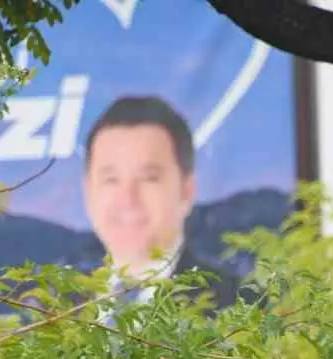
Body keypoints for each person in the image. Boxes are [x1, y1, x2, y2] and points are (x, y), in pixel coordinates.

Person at [80, 94, 242, 311]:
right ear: (88, 191)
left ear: (186, 191)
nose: (128, 199)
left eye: (149, 178)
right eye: (111, 179)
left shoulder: (237, 305)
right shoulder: (56, 306)